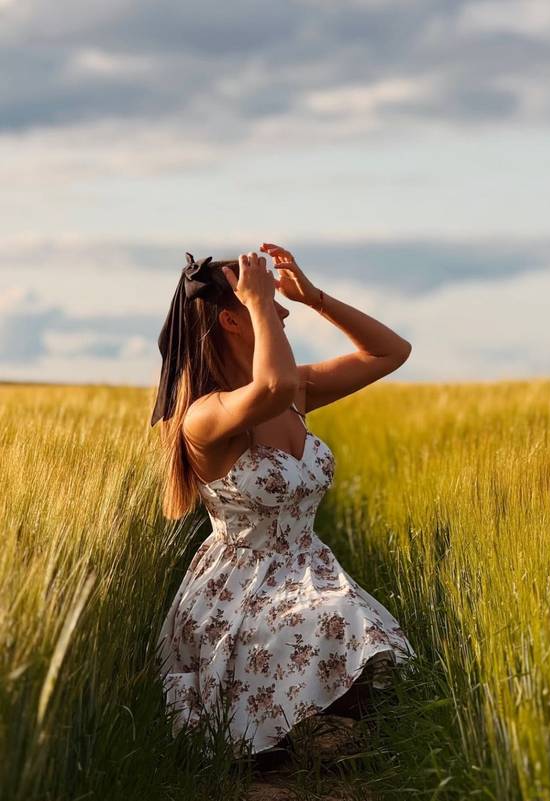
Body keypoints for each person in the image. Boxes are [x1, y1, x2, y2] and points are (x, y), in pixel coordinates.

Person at [152, 243, 416, 760]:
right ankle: (301, 742)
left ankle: (315, 738)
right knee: (348, 634)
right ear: (233, 319)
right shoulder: (206, 415)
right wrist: (257, 301)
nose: (284, 311)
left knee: (381, 659)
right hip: (239, 591)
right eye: (271, 303)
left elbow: (391, 352)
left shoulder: (294, 393)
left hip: (311, 571)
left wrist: (316, 297)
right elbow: (271, 384)